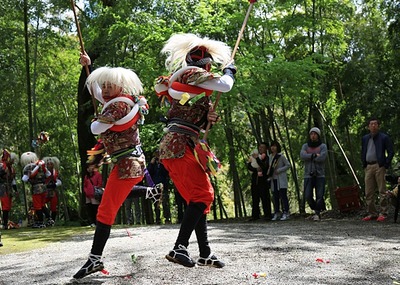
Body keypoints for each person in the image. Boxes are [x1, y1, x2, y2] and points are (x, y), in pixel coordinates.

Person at [73, 53, 161, 279]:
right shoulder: (119, 101)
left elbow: (95, 129)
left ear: (120, 86)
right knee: (109, 204)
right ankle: (149, 192)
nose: (104, 88)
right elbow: (95, 91)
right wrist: (88, 66)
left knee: (105, 209)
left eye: (109, 85)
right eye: (104, 85)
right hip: (128, 163)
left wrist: (96, 120)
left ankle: (95, 259)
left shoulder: (119, 105)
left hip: (127, 164)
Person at [155, 33, 236, 268]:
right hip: (179, 144)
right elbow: (225, 85)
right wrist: (229, 71)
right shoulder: (191, 75)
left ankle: (205, 253)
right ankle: (180, 246)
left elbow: (189, 113)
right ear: (206, 64)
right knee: (203, 195)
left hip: (181, 144)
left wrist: (207, 118)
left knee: (196, 198)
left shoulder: (193, 90)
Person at [361, 118, 394, 222]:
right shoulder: (365, 138)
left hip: (379, 166)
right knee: (368, 192)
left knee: (382, 190)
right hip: (368, 166)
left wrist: (385, 164)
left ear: (378, 126)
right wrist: (364, 164)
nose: (373, 126)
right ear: (368, 126)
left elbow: (391, 151)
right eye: (371, 124)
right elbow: (363, 151)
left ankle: (383, 212)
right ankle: (372, 213)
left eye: (375, 124)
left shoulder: (384, 137)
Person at [300, 127, 328, 221]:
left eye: (315, 134)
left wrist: (310, 156)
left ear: (318, 135)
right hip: (308, 174)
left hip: (320, 174)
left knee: (320, 195)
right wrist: (314, 155)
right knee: (308, 195)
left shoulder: (323, 146)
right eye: (311, 134)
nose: (313, 135)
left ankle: (317, 213)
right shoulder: (305, 146)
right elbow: (302, 155)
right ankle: (315, 208)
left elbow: (323, 157)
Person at [20, 151, 51, 228]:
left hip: (36, 188)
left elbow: (24, 179)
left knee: (37, 206)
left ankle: (40, 222)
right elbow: (48, 174)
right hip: (44, 187)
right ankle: (49, 219)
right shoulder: (41, 165)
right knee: (43, 205)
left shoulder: (28, 167)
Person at [246, 142, 272, 221]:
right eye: (260, 147)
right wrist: (255, 169)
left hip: (263, 180)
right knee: (255, 198)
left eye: (263, 147)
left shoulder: (267, 158)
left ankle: (267, 215)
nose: (260, 149)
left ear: (266, 149)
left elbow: (264, 167)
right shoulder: (253, 156)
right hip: (255, 179)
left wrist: (257, 158)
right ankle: (255, 215)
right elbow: (249, 166)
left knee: (265, 198)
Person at [267, 141, 291, 221]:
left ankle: (286, 212)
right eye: (272, 146)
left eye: (275, 146)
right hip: (273, 179)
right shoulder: (270, 156)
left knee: (283, 196)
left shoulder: (281, 156)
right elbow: (270, 167)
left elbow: (288, 165)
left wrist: (280, 170)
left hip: (281, 179)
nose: (273, 148)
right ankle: (277, 212)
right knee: (275, 196)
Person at [147, 150, 171, 224]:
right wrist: (151, 164)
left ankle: (167, 218)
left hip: (163, 184)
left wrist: (162, 163)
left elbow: (167, 172)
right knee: (156, 203)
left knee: (165, 202)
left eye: (158, 154)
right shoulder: (152, 164)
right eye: (156, 154)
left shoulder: (164, 162)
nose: (157, 155)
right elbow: (148, 173)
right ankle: (157, 219)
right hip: (154, 185)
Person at [0, 150, 19, 230]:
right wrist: (3, 172)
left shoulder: (11, 168)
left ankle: (5, 223)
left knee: (7, 207)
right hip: (2, 187)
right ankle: (4, 224)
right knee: (4, 206)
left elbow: (13, 181)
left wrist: (16, 190)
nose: (12, 162)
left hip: (9, 188)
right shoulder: (1, 165)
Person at [42, 156, 62, 226]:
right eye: (48, 164)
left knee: (54, 207)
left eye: (51, 164)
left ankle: (52, 221)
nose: (49, 165)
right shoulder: (43, 172)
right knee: (41, 204)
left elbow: (59, 181)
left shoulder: (56, 172)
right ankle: (48, 217)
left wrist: (55, 184)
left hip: (53, 191)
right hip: (45, 191)